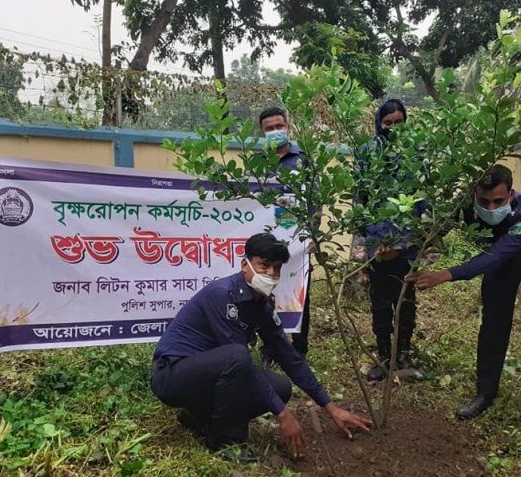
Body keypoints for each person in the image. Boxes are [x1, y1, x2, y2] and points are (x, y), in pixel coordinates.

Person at [150, 233, 371, 461]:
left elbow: (289, 357)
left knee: (279, 387)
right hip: (172, 375)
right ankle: (227, 443)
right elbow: (238, 359)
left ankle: (198, 416)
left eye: (277, 268)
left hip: (206, 374)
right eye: (264, 266)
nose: (271, 274)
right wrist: (283, 414)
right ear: (246, 265)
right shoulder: (222, 295)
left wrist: (330, 407)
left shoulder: (262, 305)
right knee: (237, 357)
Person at [405, 165, 521, 434]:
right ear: (474, 194)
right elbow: (437, 226)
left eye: (498, 201)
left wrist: (445, 274)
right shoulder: (465, 206)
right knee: (492, 326)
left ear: (510, 194)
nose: (490, 207)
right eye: (484, 200)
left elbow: (494, 256)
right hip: (502, 263)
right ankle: (484, 394)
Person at [354, 99, 422, 381]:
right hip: (377, 247)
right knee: (380, 303)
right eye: (388, 123)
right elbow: (361, 201)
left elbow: (420, 203)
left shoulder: (416, 153)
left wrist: (406, 245)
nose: (393, 128)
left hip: (406, 249)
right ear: (379, 123)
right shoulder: (366, 153)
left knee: (405, 302)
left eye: (399, 123)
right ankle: (383, 357)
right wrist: (367, 245)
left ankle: (403, 355)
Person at [258, 107, 312, 358]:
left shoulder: (304, 160)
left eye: (279, 126)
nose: (275, 132)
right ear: (262, 132)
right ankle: (271, 347)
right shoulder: (257, 163)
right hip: (267, 240)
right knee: (265, 292)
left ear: (288, 127)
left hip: (297, 238)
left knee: (300, 292)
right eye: (269, 129)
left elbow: (314, 199)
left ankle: (299, 350)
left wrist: (313, 234)